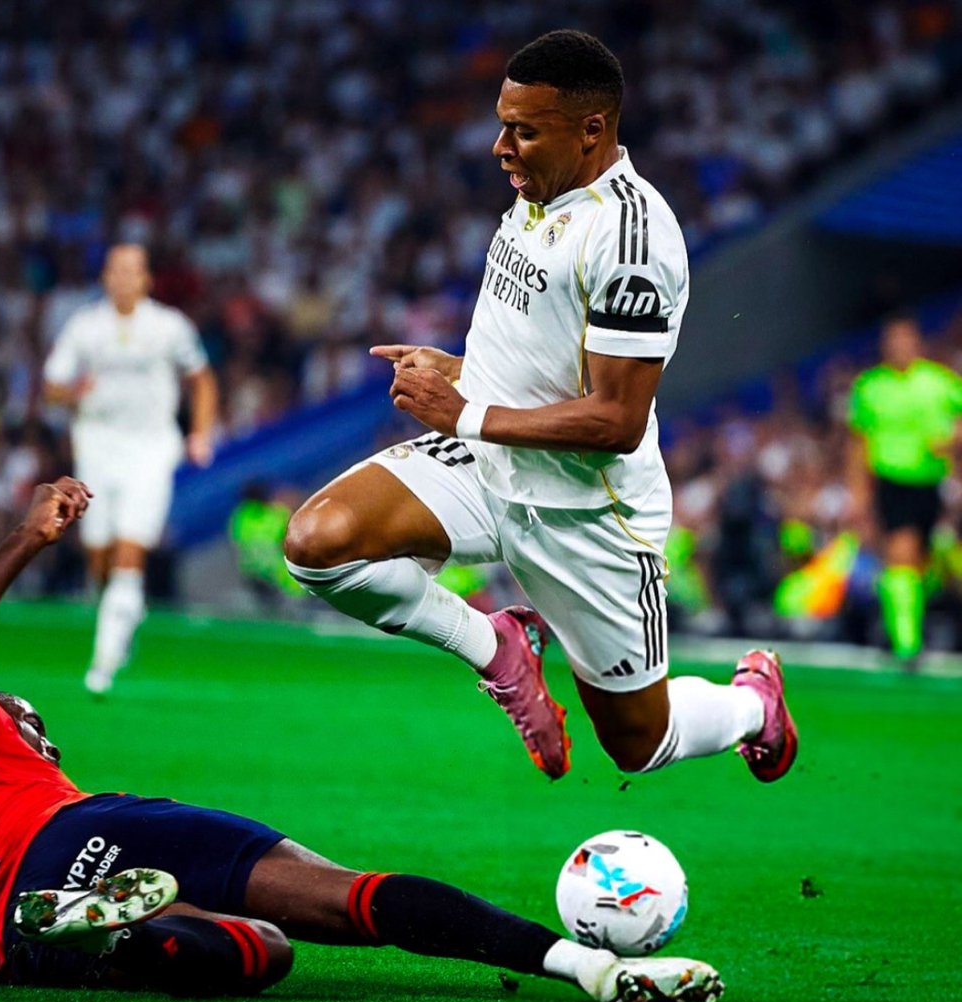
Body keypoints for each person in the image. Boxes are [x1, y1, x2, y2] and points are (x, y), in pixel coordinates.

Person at [0, 477, 723, 1002]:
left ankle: (111, 933)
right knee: (341, 898)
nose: (0, 705)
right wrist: (25, 537)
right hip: (81, 832)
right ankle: (584, 966)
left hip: (12, 933)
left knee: (261, 951)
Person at [284, 30, 797, 783]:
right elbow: (539, 353)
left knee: (638, 742)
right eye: (502, 123)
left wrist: (462, 413)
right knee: (318, 543)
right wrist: (460, 371)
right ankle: (500, 649)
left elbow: (615, 421)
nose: (500, 146)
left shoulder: (631, 241)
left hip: (587, 512)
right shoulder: (537, 193)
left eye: (523, 129)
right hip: (489, 464)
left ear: (592, 130)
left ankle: (754, 705)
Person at [44, 244, 219, 695]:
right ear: (105, 277)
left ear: (146, 279)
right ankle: (123, 613)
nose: (124, 279)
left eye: (133, 271)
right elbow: (52, 386)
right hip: (97, 447)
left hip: (150, 449)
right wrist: (71, 391)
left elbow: (201, 377)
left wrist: (199, 433)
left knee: (129, 548)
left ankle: (102, 664)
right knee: (98, 553)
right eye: (117, 270)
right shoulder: (85, 326)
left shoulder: (168, 326)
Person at [848, 313, 962, 662]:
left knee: (924, 563)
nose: (899, 346)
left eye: (905, 339)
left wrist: (951, 440)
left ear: (917, 342)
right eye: (893, 340)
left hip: (932, 483)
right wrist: (858, 494)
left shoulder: (940, 382)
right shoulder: (870, 387)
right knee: (901, 553)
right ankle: (907, 644)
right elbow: (858, 444)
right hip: (892, 480)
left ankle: (908, 624)